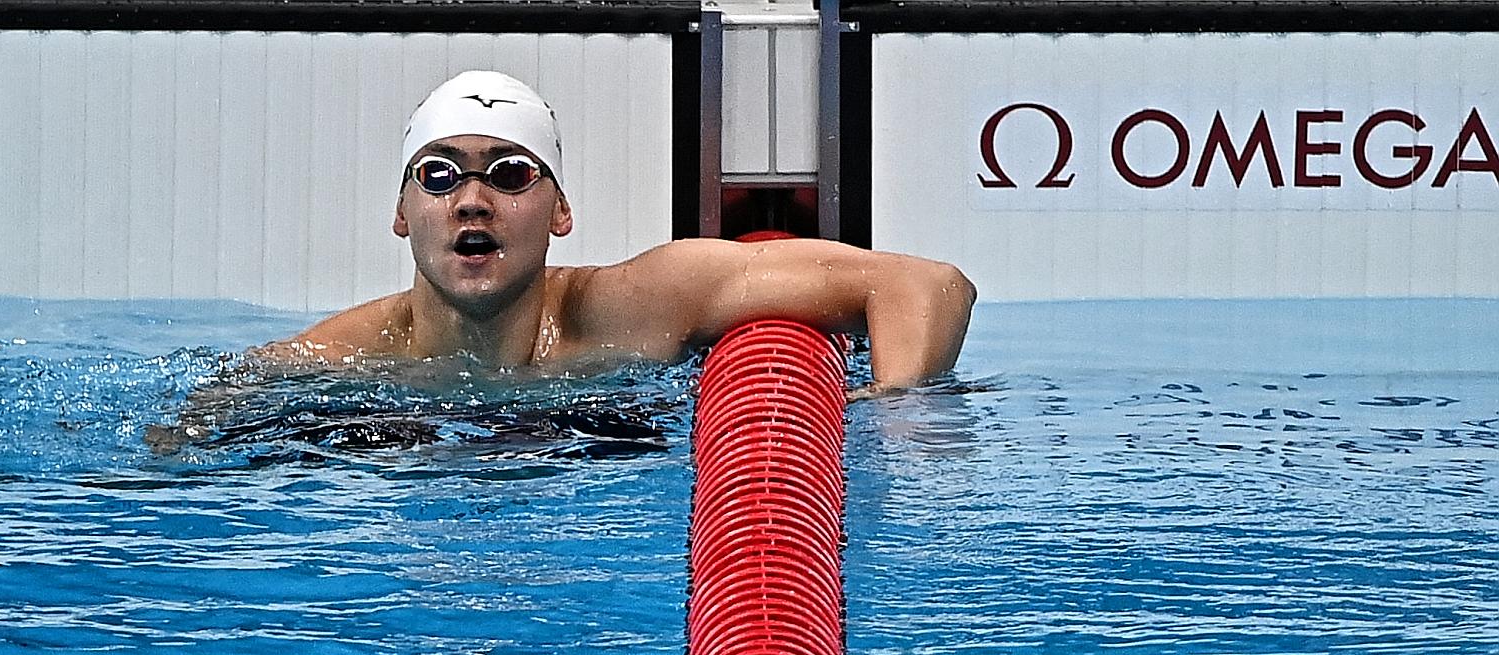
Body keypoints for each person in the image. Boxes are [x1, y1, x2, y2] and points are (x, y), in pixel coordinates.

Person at [255, 71, 976, 391]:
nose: (472, 201)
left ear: (560, 212)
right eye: (440, 175)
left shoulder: (638, 305)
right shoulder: (335, 360)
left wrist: (898, 414)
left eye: (509, 173)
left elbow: (927, 285)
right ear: (402, 212)